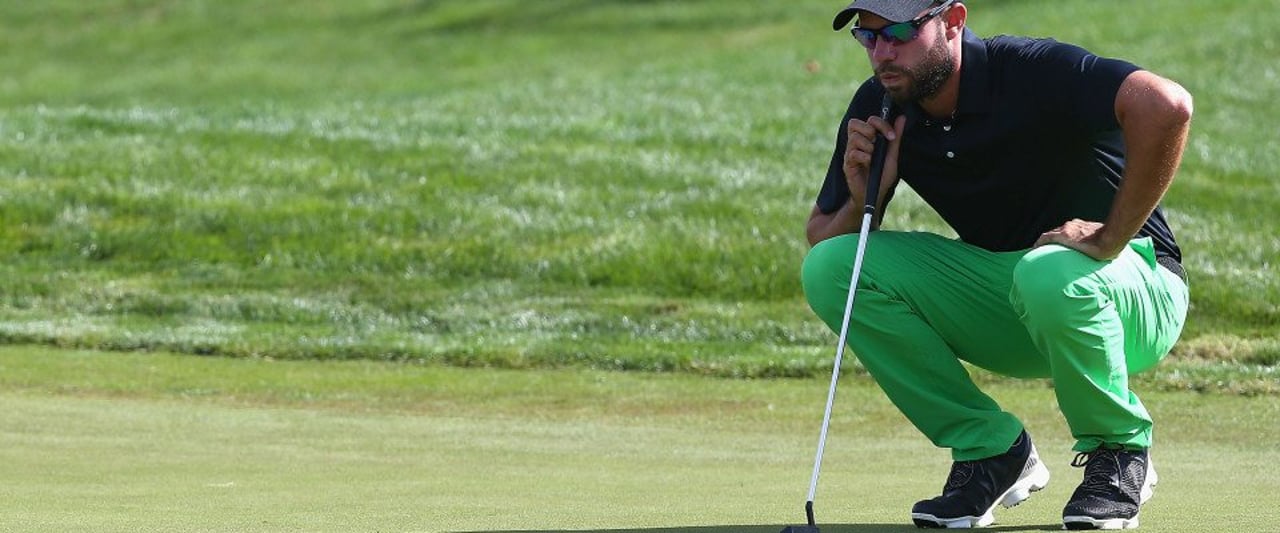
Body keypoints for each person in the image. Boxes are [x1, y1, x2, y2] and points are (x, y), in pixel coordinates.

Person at [800, 0, 1192, 529]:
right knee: (831, 267)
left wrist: (1110, 236)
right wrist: (864, 194)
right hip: (1017, 300)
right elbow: (822, 236)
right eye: (869, 37)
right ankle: (992, 451)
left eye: (899, 32)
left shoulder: (1031, 70)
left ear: (953, 21)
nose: (882, 53)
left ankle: (1120, 452)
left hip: (1137, 293)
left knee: (1045, 272)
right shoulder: (882, 105)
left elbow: (1167, 105)